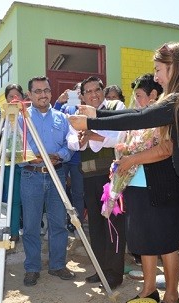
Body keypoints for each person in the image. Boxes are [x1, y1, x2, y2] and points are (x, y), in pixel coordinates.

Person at [69, 42, 179, 303]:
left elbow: (142, 117)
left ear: (175, 67)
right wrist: (95, 118)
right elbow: (140, 116)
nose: (156, 76)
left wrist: (94, 117)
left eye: (159, 70)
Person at [118, 73, 179, 303]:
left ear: (153, 95)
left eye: (139, 96)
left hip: (162, 187)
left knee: (166, 242)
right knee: (145, 241)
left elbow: (166, 149)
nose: (136, 101)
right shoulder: (139, 120)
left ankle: (171, 294)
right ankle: (148, 289)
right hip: (136, 188)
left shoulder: (166, 115)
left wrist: (131, 158)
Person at [68, 76, 127, 289]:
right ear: (82, 95)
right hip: (89, 177)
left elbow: (121, 136)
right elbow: (71, 141)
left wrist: (94, 135)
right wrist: (82, 140)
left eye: (97, 90)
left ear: (102, 91)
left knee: (113, 225)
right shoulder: (77, 115)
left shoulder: (115, 106)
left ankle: (115, 274)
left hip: (112, 177)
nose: (94, 94)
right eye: (88, 91)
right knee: (95, 225)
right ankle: (101, 270)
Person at [18, 76, 73, 287]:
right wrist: (32, 157)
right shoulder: (21, 119)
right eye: (38, 91)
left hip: (56, 174)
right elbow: (13, 149)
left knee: (58, 222)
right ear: (30, 95)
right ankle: (32, 268)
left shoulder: (62, 118)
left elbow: (70, 146)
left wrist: (58, 155)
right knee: (31, 224)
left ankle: (57, 265)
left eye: (46, 90)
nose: (43, 95)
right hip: (31, 175)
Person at [53, 82, 85, 234]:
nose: (78, 94)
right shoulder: (66, 107)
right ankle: (60, 222)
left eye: (81, 92)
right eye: (76, 91)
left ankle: (77, 223)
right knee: (60, 191)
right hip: (63, 157)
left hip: (79, 158)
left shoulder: (89, 109)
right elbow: (51, 118)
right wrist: (59, 102)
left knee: (78, 193)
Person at [3, 83, 25, 242]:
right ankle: (14, 231)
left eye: (17, 96)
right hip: (8, 163)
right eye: (11, 96)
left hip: (26, 163)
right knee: (14, 199)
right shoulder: (2, 117)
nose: (14, 99)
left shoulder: (28, 116)